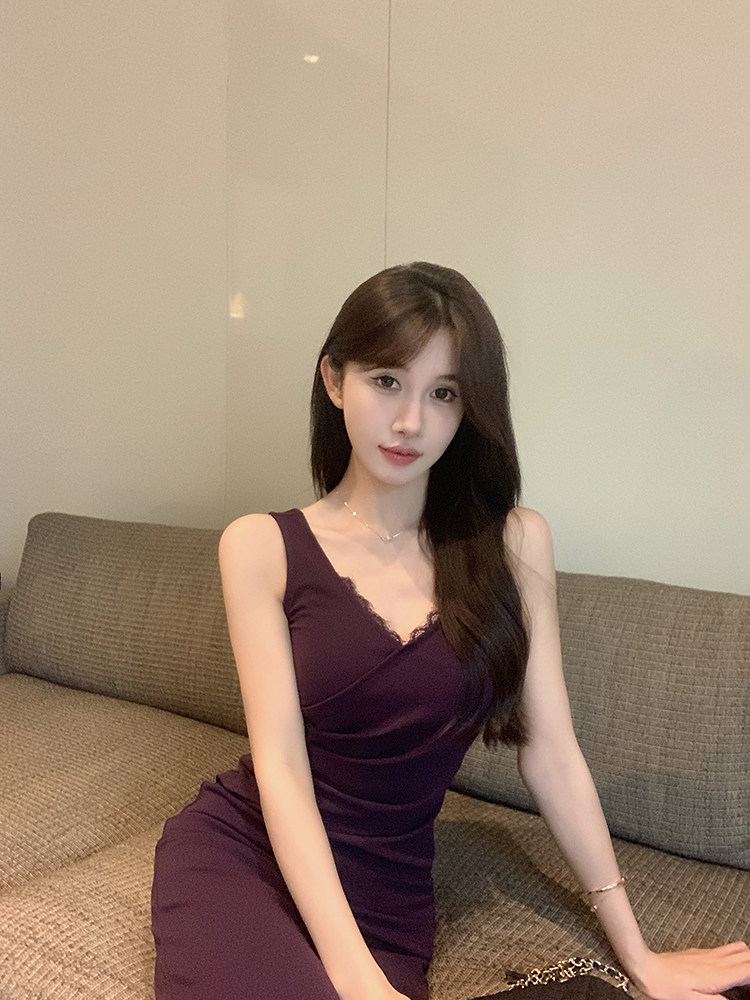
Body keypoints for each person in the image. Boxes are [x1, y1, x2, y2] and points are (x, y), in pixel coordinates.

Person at [151, 262, 750, 1000]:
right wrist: (357, 980)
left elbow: (551, 754)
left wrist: (641, 955)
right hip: (248, 854)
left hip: (385, 892)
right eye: (386, 381)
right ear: (334, 380)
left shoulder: (514, 545)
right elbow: (281, 770)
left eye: (443, 393)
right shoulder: (259, 547)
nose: (411, 422)